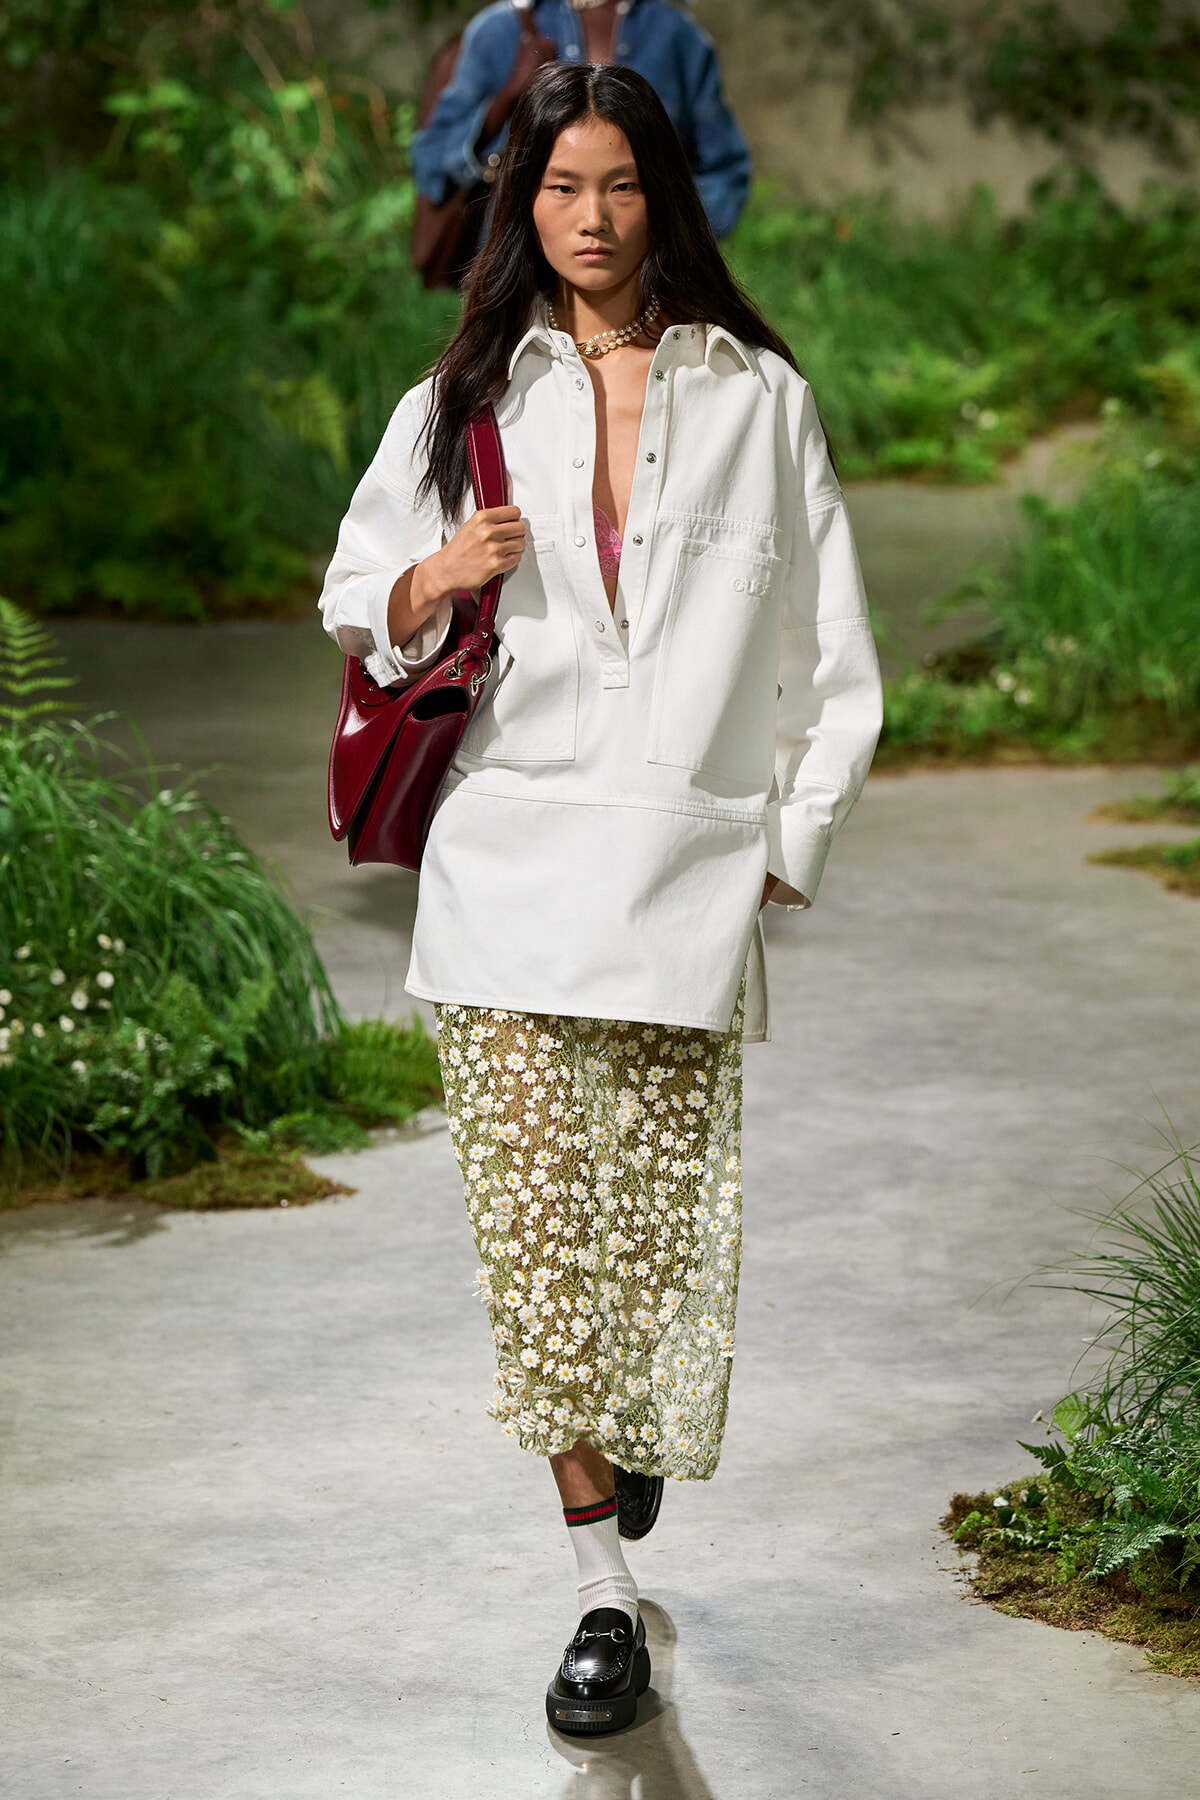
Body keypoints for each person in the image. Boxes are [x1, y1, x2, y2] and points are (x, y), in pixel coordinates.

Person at [319, 61, 881, 1735]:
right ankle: (597, 1599)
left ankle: (629, 1444)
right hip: (502, 878)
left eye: (618, 186)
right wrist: (438, 575)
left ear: (665, 198)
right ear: (524, 203)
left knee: (651, 1249)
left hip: (681, 876)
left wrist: (793, 832)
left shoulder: (756, 395)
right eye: (559, 188)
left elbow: (831, 658)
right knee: (537, 1255)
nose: (588, 218)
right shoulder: (464, 393)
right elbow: (362, 593)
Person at [412, 0, 751, 247]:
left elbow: (725, 168)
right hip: (522, 282)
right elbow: (430, 163)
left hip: (653, 285)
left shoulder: (676, 36)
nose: (591, 218)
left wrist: (674, 239)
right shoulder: (503, 29)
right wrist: (506, 101)